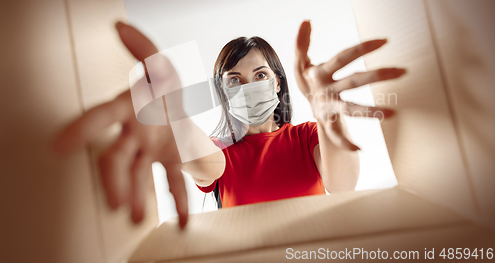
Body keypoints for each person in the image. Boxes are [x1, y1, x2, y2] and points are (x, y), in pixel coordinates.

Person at [52, 21, 406, 229]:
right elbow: (205, 164)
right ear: (223, 91)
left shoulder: (308, 137)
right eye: (234, 79)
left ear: (278, 82)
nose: (248, 86)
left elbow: (342, 185)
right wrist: (172, 116)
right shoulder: (220, 150)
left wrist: (330, 121)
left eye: (260, 74)